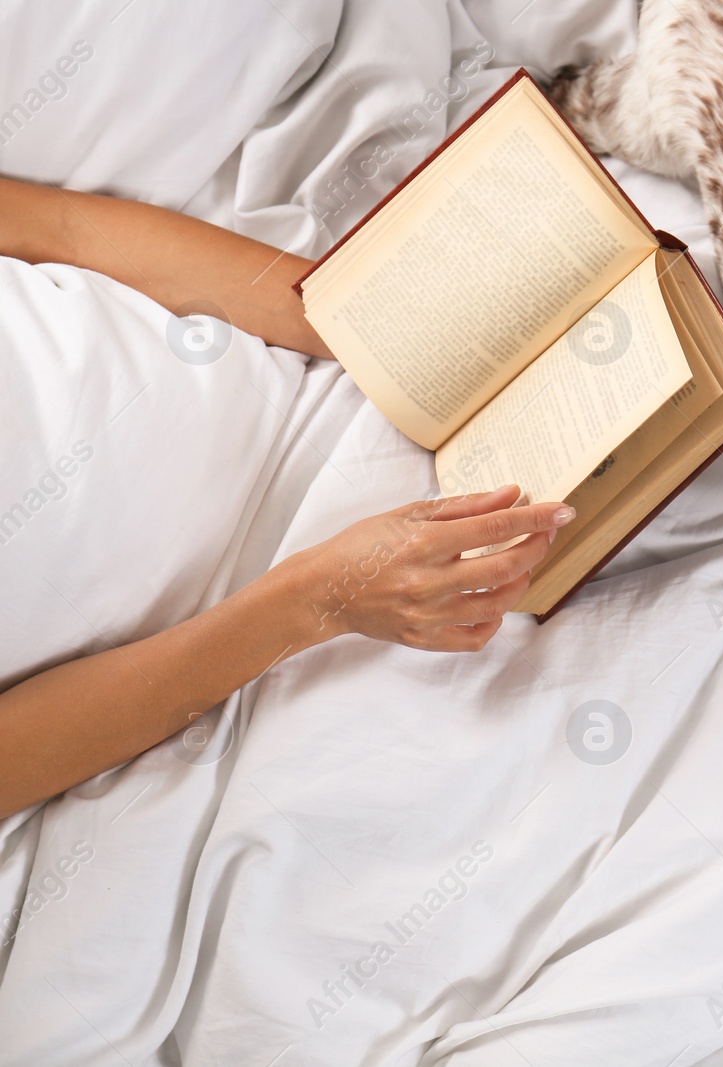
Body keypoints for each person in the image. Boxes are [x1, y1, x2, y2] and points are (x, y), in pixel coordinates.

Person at [0, 176, 570, 818]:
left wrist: (376, 325)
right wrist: (323, 599)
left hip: (305, 362)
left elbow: (59, 227)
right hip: (280, 592)